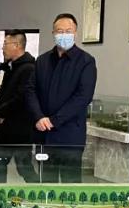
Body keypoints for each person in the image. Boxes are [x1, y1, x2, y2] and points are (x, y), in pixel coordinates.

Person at [26, 13, 97, 182]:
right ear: (53, 33)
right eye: (59, 31)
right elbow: (30, 90)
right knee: (46, 182)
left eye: (68, 31)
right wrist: (39, 116)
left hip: (70, 136)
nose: (64, 35)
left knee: (69, 185)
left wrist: (54, 120)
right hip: (44, 134)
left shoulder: (86, 61)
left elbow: (83, 97)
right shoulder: (42, 61)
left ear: (75, 33)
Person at [0, 30, 38, 183]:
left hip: (20, 129)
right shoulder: (12, 67)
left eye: (5, 44)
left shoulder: (28, 68)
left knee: (24, 166)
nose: (2, 48)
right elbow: (4, 93)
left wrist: (0, 113)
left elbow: (21, 98)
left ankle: (39, 193)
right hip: (6, 126)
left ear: (16, 45)